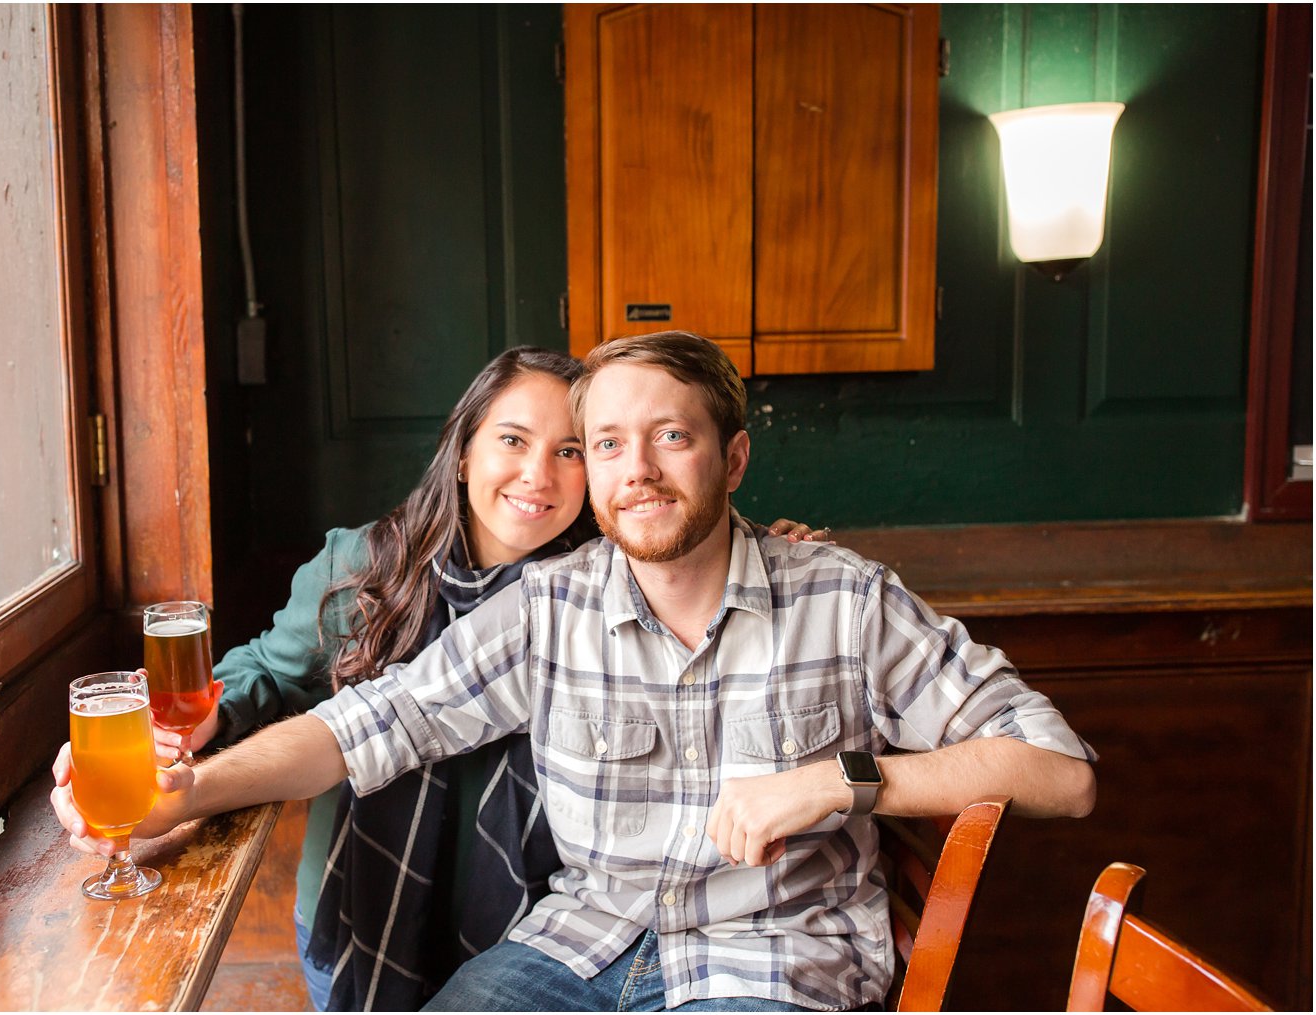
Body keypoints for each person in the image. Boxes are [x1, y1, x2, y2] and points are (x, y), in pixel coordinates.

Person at [53, 331, 1095, 1011]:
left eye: (668, 438)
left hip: (768, 962)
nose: (631, 469)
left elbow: (1062, 772)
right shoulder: (548, 605)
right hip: (576, 946)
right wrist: (180, 786)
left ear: (730, 460)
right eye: (603, 445)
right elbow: (366, 724)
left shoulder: (841, 599)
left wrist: (842, 780)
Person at [141, 345, 824, 1011]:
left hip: (538, 930)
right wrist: (200, 722)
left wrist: (766, 542)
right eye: (513, 440)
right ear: (464, 451)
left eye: (570, 452)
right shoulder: (363, 566)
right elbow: (270, 676)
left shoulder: (599, 594)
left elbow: (694, 540)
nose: (538, 474)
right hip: (366, 910)